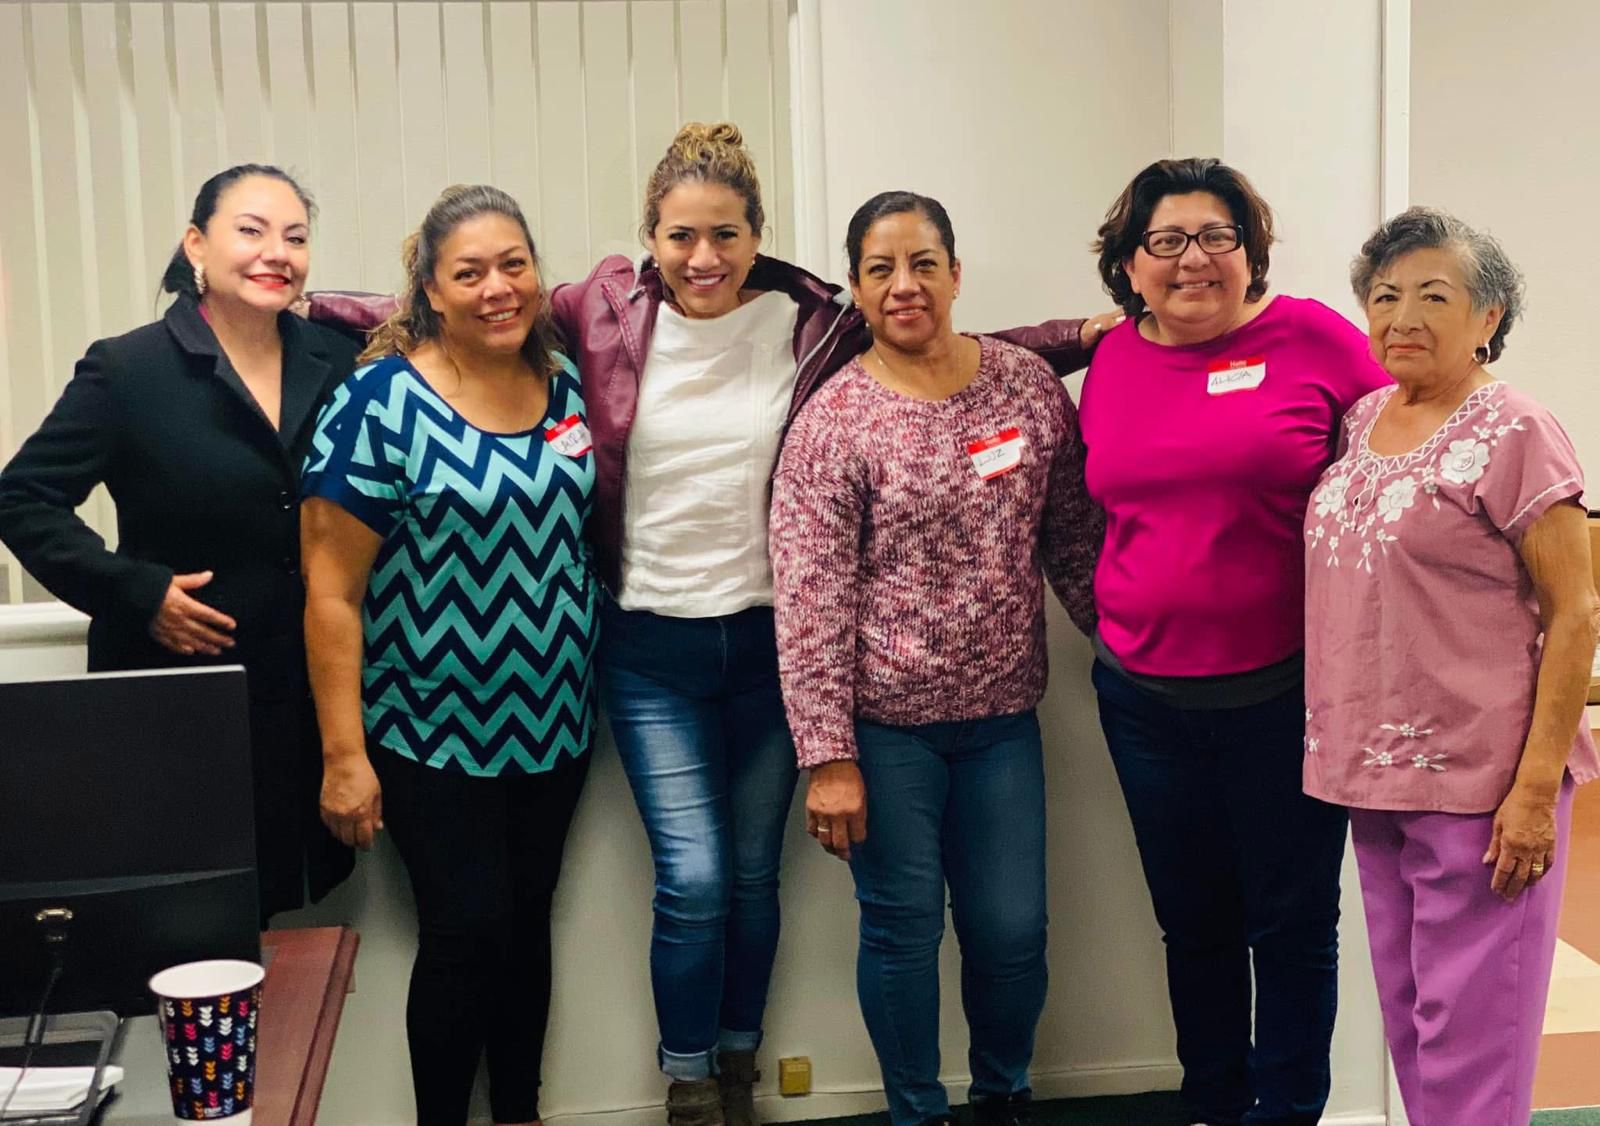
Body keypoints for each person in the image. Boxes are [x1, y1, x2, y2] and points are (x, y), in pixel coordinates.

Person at [307, 123, 1116, 1126]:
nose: (703, 257)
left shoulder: (810, 319)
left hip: (766, 646)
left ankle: (738, 1064)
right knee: (691, 881)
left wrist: (1085, 335)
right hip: (649, 652)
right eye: (681, 236)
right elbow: (465, 301)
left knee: (751, 878)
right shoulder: (598, 316)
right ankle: (687, 1078)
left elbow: (945, 341)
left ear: (756, 236)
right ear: (649, 239)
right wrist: (294, 303)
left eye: (725, 234)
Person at [769, 191, 1101, 1126]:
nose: (904, 285)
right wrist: (827, 755)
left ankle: (1003, 1094)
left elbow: (1074, 540)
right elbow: (810, 600)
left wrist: (1133, 649)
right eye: (880, 269)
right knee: (903, 934)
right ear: (856, 288)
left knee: (1012, 933)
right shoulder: (835, 422)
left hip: (1001, 725)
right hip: (885, 736)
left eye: (923, 264)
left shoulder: (1025, 386)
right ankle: (916, 1110)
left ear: (956, 274)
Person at [1076, 157, 1391, 1126]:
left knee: (1291, 926)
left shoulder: (1313, 339)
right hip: (1142, 702)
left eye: (1216, 236)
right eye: (1166, 240)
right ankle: (1212, 1102)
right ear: (1131, 264)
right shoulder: (1114, 360)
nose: (1193, 259)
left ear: (1250, 250)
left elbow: (1415, 441)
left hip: (1285, 698)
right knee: (1193, 923)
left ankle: (1287, 1111)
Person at [300, 184, 594, 1126]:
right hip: (430, 729)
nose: (497, 287)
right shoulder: (379, 404)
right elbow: (331, 595)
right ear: (429, 289)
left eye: (514, 264)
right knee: (466, 932)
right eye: (469, 273)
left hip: (556, 724)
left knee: (527, 926)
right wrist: (344, 757)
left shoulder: (563, 382)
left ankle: (519, 1113)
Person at [1303, 207, 1599, 1126]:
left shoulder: (1516, 429)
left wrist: (1534, 788)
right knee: (1415, 1022)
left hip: (1483, 782)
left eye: (1435, 296)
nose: (1403, 316)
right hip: (1372, 777)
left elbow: (1577, 611)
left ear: (1489, 317)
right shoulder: (1364, 419)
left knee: (1476, 1040)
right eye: (1385, 296)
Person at [0, 163, 356, 923]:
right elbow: (22, 498)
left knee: (283, 926)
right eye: (251, 231)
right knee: (186, 927)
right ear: (196, 245)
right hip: (179, 697)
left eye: (295, 238)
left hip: (301, 696)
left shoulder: (335, 359)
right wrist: (137, 591)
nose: (277, 253)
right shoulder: (128, 369)